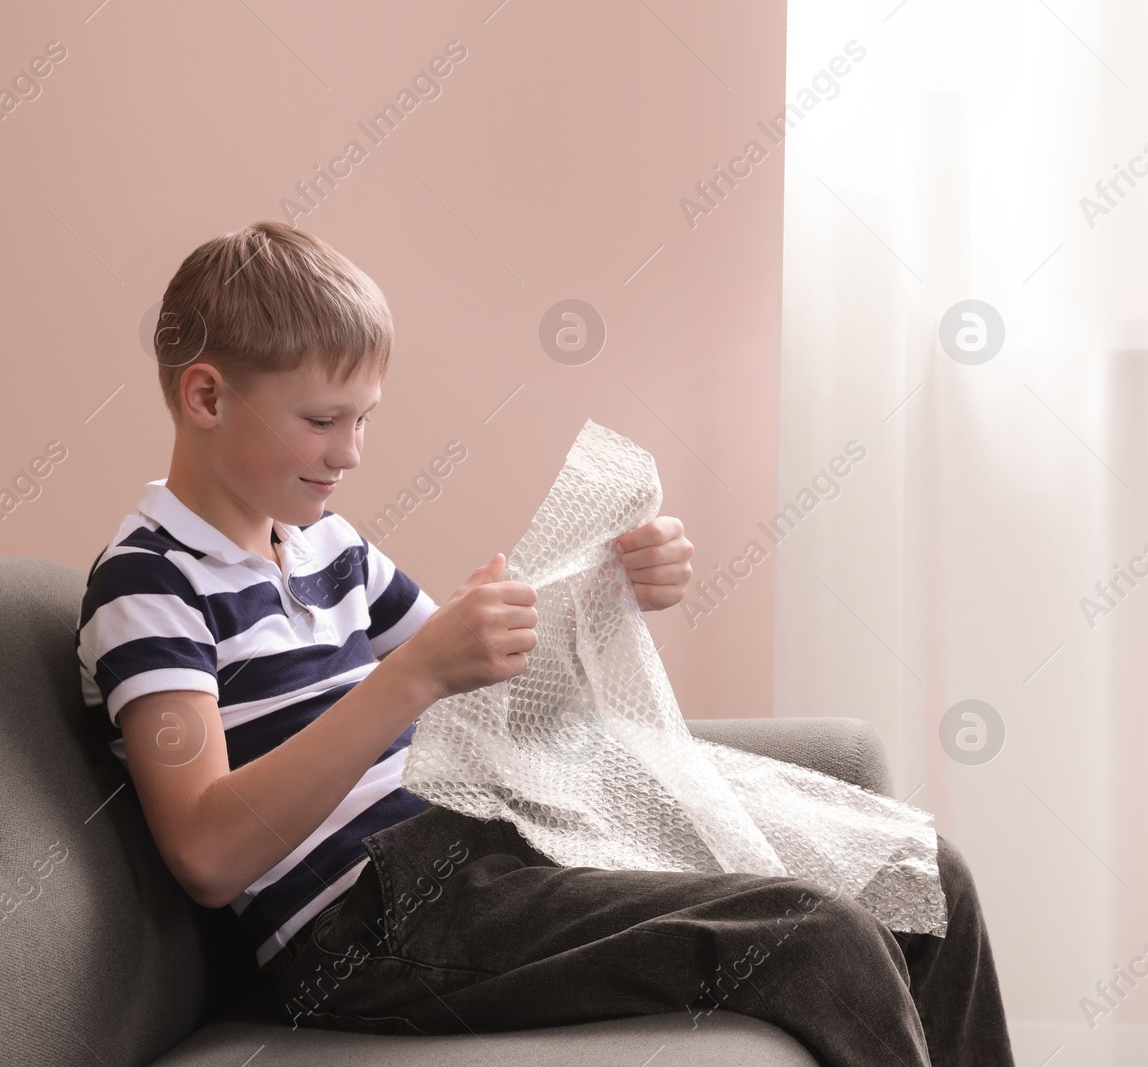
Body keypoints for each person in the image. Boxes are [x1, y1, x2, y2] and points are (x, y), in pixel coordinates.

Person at [74, 220, 1015, 1067]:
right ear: (206, 396)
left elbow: (501, 690)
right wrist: (410, 677)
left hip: (485, 834)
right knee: (821, 940)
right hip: (364, 928)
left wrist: (606, 590)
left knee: (924, 877)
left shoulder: (328, 545)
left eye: (364, 419)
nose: (352, 451)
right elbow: (204, 848)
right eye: (323, 420)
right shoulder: (148, 583)